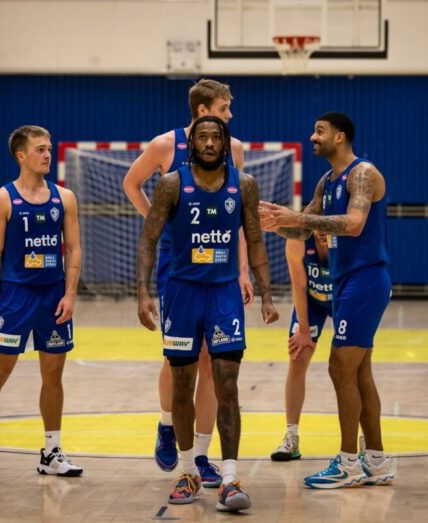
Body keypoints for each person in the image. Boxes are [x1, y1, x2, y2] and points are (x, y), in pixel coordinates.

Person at [136, 116, 279, 511]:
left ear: (225, 143)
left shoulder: (244, 185)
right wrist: (143, 293)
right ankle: (188, 473)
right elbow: (148, 240)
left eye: (217, 137)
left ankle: (230, 480)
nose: (211, 142)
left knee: (226, 384)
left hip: (223, 294)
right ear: (192, 143)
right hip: (181, 293)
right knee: (182, 386)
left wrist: (267, 295)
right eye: (203, 137)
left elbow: (255, 240)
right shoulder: (171, 184)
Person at [123, 78, 253, 487]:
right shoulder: (164, 145)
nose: (230, 114)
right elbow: (130, 182)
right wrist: (160, 222)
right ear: (203, 111)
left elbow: (237, 216)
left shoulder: (234, 149)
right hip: (178, 263)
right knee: (180, 357)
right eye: (225, 107)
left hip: (221, 265)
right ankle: (167, 424)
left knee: (214, 362)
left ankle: (202, 454)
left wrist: (244, 269)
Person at [259, 112, 395, 489]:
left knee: (340, 367)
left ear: (340, 136)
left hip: (365, 280)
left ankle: (348, 462)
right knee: (359, 372)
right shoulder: (326, 181)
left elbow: (354, 224)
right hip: (347, 281)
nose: (312, 137)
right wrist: (274, 222)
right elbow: (301, 230)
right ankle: (377, 461)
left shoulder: (362, 174)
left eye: (320, 131)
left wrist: (298, 220)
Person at [0, 125, 83, 479]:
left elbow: (74, 249)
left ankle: (51, 452)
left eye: (49, 148)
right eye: (40, 149)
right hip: (15, 298)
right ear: (21, 155)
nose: (47, 154)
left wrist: (70, 294)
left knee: (53, 375)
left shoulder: (65, 198)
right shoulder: (1, 200)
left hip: (53, 296)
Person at [270, 232, 333, 462]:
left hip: (344, 298)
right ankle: (291, 437)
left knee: (350, 364)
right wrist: (304, 331)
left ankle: (363, 440)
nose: (323, 232)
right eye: (318, 226)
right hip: (312, 301)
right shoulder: (297, 239)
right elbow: (298, 285)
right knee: (297, 357)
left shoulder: (345, 236)